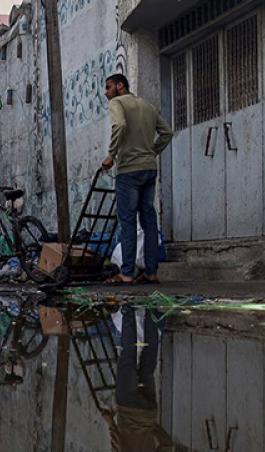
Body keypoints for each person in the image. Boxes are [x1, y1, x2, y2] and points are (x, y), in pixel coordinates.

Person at [101, 73, 173, 285]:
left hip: (128, 170)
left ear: (119, 86)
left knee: (128, 221)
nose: (106, 93)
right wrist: (151, 152)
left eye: (108, 87)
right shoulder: (147, 106)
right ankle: (151, 272)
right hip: (149, 168)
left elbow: (120, 125)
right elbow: (167, 133)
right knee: (148, 221)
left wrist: (111, 155)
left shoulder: (117, 103)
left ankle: (127, 273)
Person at [101, 304, 172, 451]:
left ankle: (151, 311)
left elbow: (167, 444)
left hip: (149, 412)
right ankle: (128, 309)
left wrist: (150, 424)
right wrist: (110, 424)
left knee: (147, 364)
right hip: (128, 409)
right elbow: (118, 446)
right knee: (128, 357)